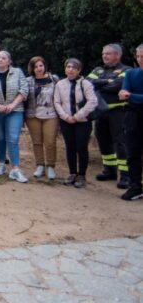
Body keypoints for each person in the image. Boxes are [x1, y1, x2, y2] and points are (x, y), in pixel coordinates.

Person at [88, 43, 131, 189]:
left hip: (118, 112)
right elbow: (88, 83)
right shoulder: (98, 69)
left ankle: (125, 175)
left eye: (108, 54)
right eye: (103, 54)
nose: (104, 56)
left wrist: (100, 85)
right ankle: (109, 170)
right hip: (100, 112)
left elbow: (118, 86)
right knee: (103, 141)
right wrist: (108, 80)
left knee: (121, 143)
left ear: (117, 55)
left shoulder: (126, 70)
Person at [54, 58, 98, 188]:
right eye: (68, 67)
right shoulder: (60, 84)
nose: (70, 69)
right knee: (70, 147)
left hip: (82, 121)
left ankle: (82, 175)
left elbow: (92, 101)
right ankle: (72, 173)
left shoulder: (86, 84)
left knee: (81, 147)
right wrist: (65, 116)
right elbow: (57, 102)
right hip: (66, 120)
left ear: (79, 70)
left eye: (74, 67)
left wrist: (77, 116)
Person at [0, 51, 29, 183]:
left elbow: (24, 90)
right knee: (0, 138)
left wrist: (12, 105)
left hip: (15, 110)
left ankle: (15, 169)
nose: (0, 60)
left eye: (3, 58)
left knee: (12, 138)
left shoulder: (17, 72)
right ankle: (1, 163)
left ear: (9, 61)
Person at [24, 56, 60, 180]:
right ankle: (40, 165)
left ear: (45, 66)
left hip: (51, 114)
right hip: (33, 115)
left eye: (41, 65)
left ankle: (51, 166)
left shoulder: (54, 79)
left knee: (50, 142)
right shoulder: (28, 81)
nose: (39, 68)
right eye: (36, 66)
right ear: (32, 68)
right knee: (37, 141)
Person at [119, 44, 143, 200]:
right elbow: (122, 93)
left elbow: (128, 95)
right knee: (133, 153)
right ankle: (135, 186)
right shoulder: (130, 73)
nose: (140, 59)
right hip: (133, 118)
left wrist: (132, 97)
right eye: (138, 56)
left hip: (133, 109)